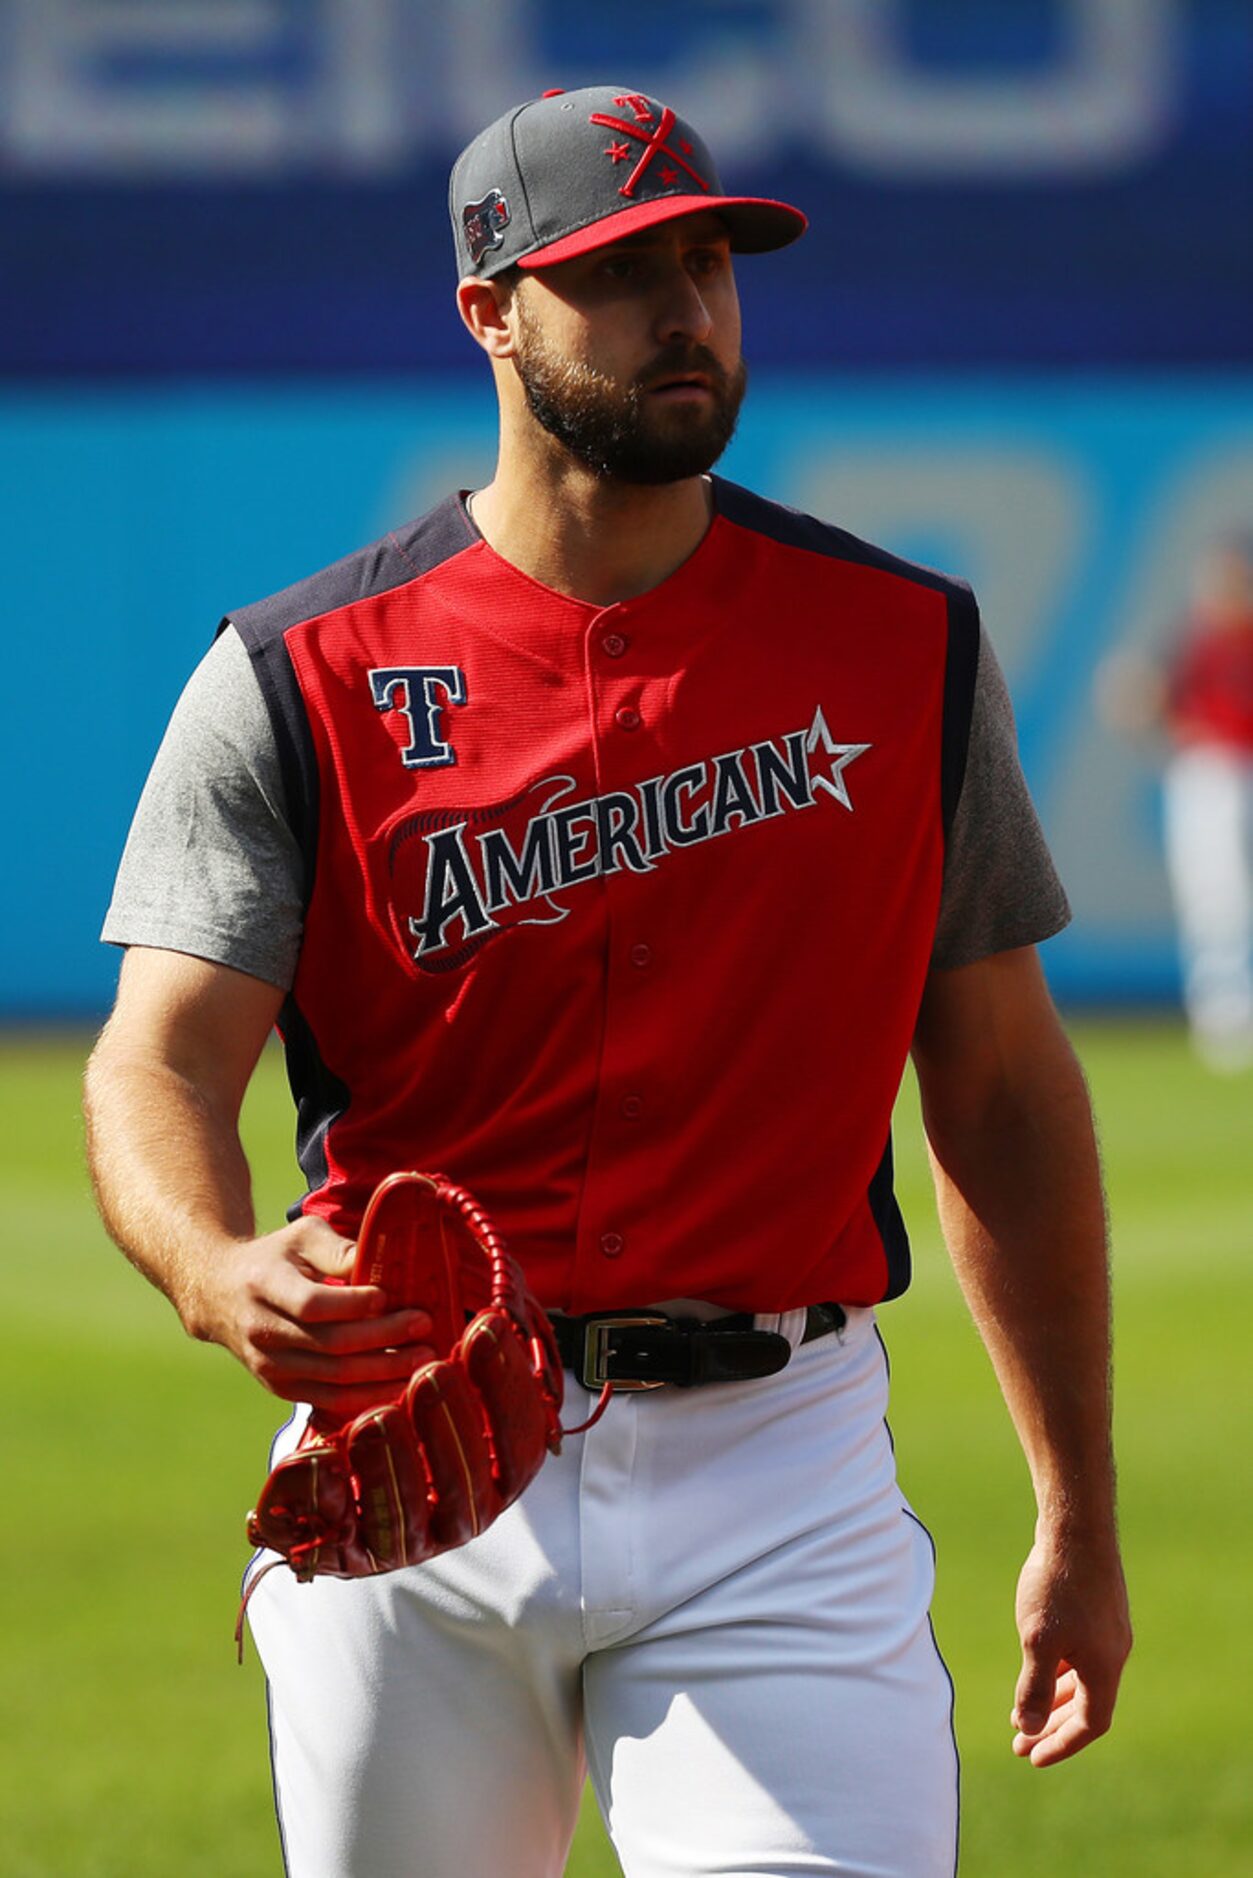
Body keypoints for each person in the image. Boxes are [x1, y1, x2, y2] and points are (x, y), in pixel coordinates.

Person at [85, 85, 1130, 1878]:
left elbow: (1006, 1098)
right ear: (488, 308)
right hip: (415, 1456)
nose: (688, 311)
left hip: (776, 1471)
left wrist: (1076, 1509)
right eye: (620, 271)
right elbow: (153, 1069)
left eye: (709, 261)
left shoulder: (905, 650)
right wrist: (213, 1258)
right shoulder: (296, 674)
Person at [1097, 535, 1253, 1069]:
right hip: (1209, 772)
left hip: (1238, 765)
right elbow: (1138, 700)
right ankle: (1225, 1015)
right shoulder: (1193, 641)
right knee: (1215, 895)